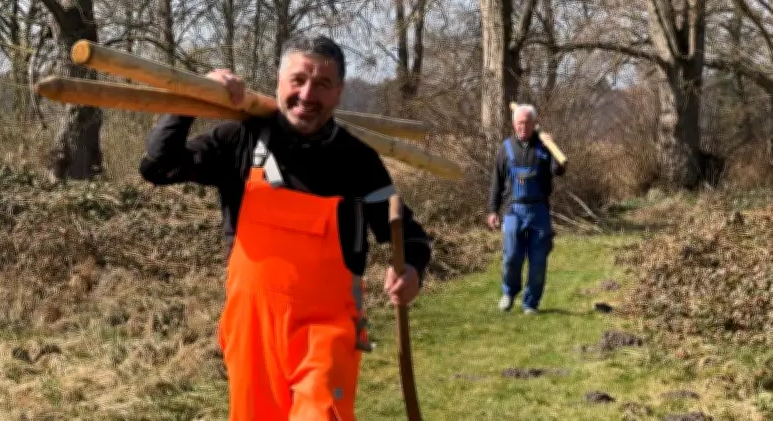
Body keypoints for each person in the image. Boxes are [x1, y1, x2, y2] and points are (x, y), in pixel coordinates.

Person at [138, 34, 432, 421]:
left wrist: (411, 269)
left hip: (328, 331)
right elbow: (159, 166)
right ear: (279, 81)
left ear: (339, 93)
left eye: (322, 84)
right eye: (298, 80)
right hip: (252, 330)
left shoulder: (358, 159)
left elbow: (407, 232)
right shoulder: (239, 141)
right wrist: (197, 98)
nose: (307, 95)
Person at [486, 104, 565, 315]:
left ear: (534, 124)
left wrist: (551, 146)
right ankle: (509, 292)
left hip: (539, 210)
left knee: (538, 260)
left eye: (527, 123)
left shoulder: (543, 147)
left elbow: (559, 170)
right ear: (514, 124)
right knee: (511, 256)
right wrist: (493, 210)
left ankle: (531, 303)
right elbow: (497, 181)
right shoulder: (505, 148)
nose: (523, 127)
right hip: (513, 210)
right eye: (520, 123)